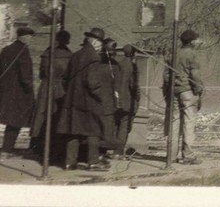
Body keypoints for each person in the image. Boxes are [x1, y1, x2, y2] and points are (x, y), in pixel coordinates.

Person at [55, 28, 116, 171]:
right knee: (93, 131)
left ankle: (70, 163)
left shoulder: (75, 56)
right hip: (89, 101)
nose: (100, 46)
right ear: (94, 42)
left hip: (72, 101)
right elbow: (92, 82)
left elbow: (65, 78)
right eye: (100, 43)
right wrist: (100, 95)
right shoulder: (94, 58)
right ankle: (93, 162)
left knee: (73, 131)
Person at [0, 26, 36, 159]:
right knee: (16, 122)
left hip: (4, 94)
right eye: (30, 37)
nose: (31, 40)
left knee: (12, 122)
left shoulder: (6, 49)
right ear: (25, 37)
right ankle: (6, 151)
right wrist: (29, 90)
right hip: (19, 94)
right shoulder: (23, 50)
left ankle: (6, 150)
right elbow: (25, 75)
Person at [29, 30, 73, 160]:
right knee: (58, 117)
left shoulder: (47, 53)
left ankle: (38, 147)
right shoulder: (68, 55)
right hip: (60, 88)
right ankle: (56, 150)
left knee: (42, 115)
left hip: (46, 87)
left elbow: (41, 73)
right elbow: (69, 75)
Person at [163, 29, 204, 164]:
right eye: (196, 39)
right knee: (188, 123)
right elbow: (195, 76)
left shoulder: (173, 55)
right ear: (192, 41)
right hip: (188, 91)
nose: (198, 42)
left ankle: (171, 156)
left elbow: (166, 76)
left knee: (174, 122)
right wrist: (198, 89)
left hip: (175, 91)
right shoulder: (192, 54)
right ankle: (188, 156)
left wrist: (168, 91)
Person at [113, 44, 140, 157]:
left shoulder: (119, 64)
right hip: (128, 101)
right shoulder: (132, 67)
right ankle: (118, 152)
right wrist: (138, 98)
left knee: (117, 125)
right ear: (133, 54)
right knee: (125, 126)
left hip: (117, 99)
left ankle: (114, 150)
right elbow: (134, 85)